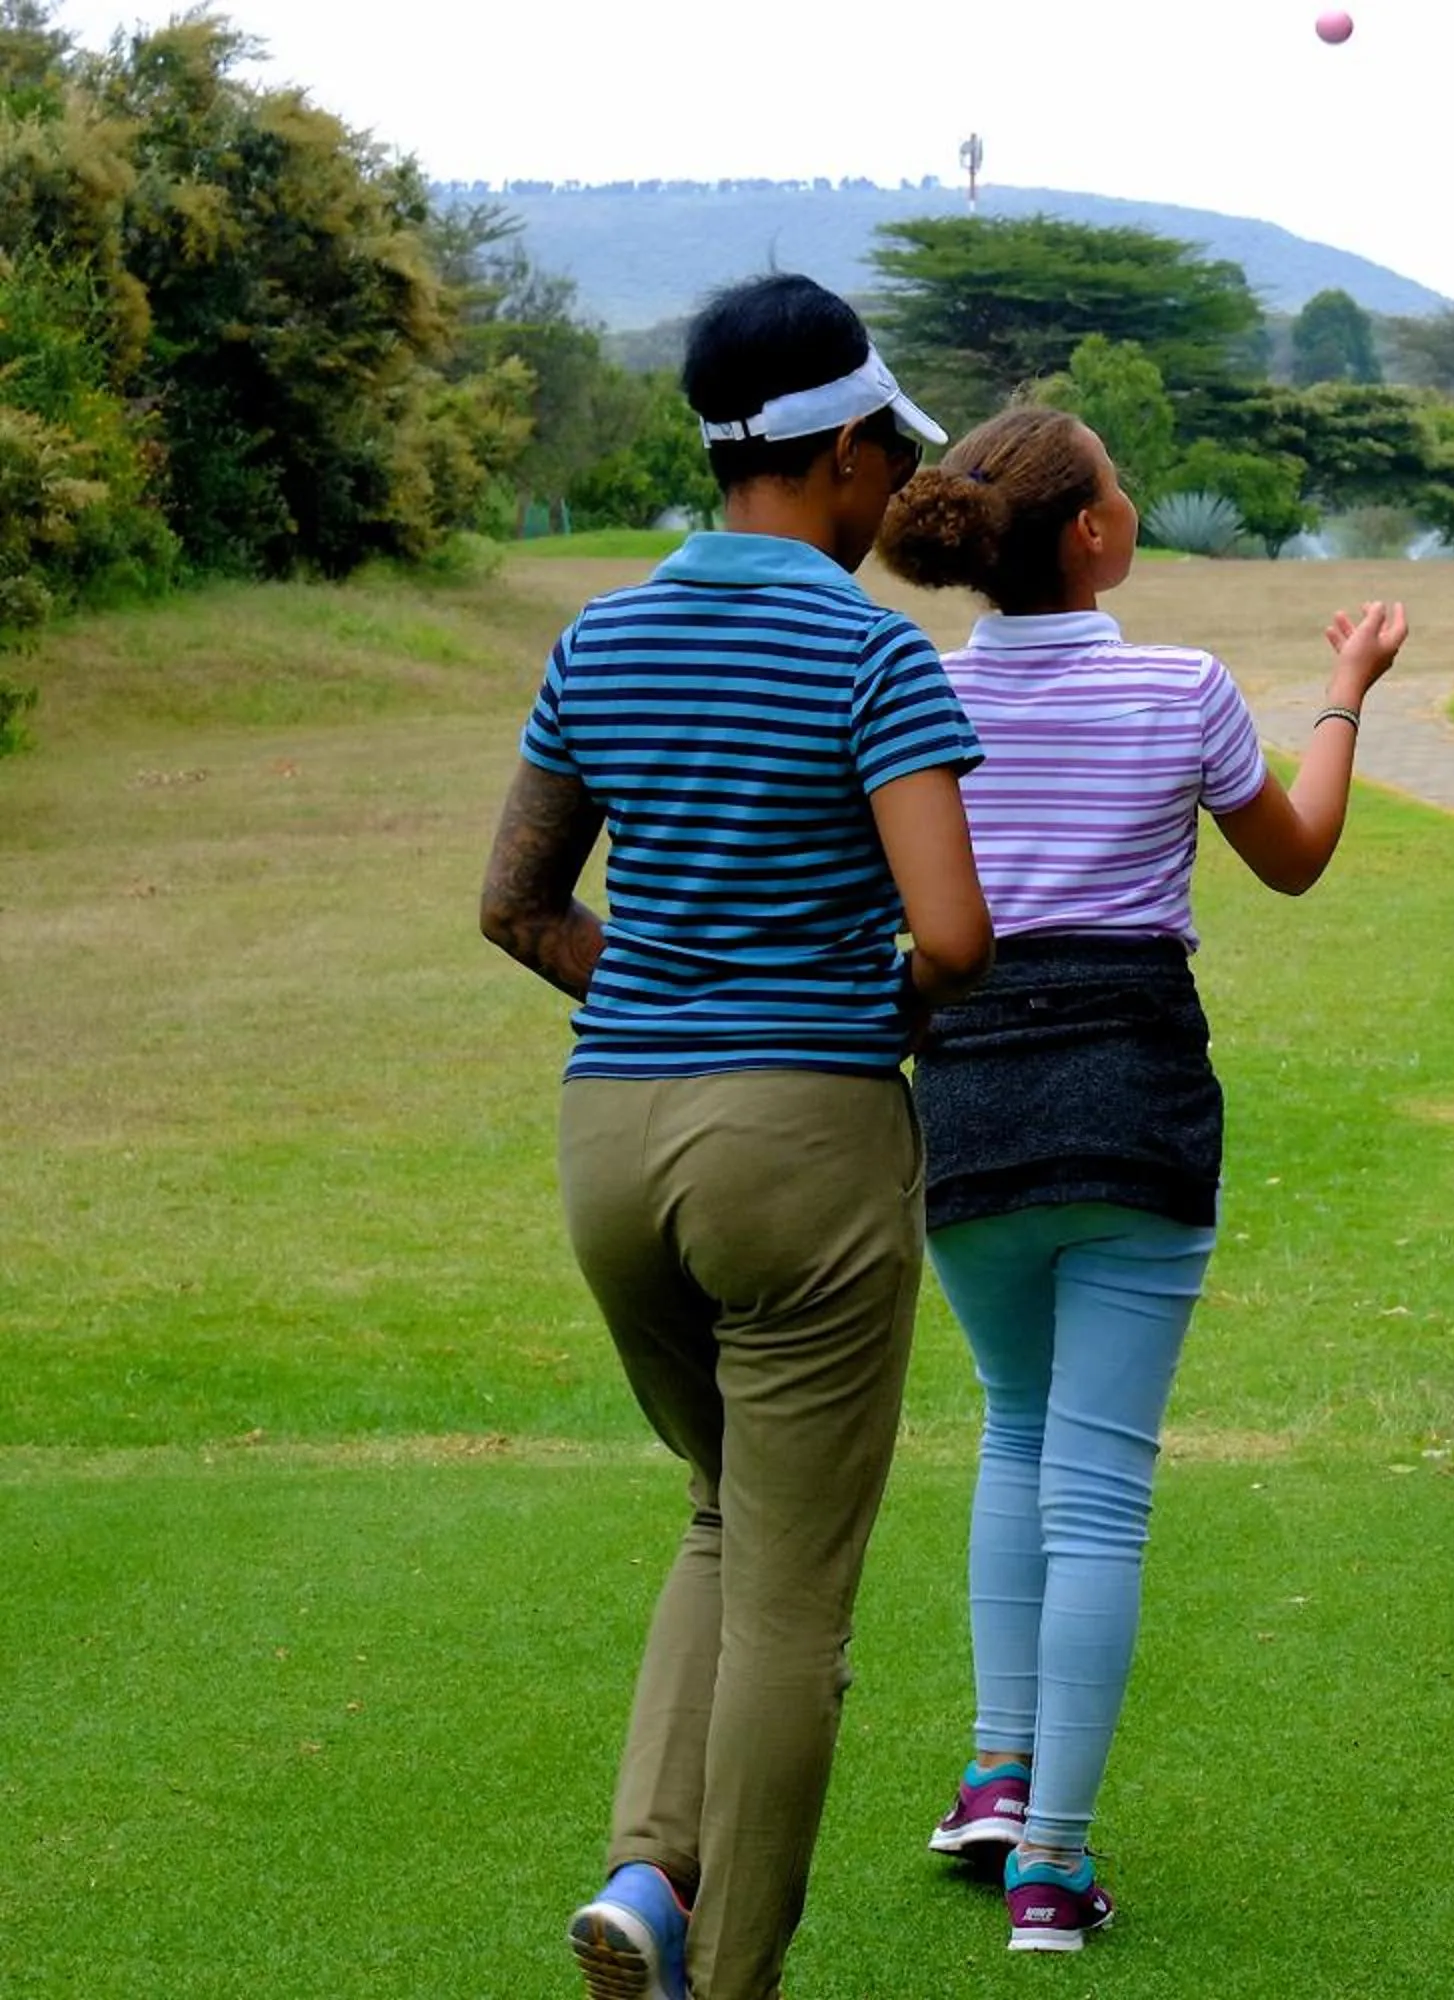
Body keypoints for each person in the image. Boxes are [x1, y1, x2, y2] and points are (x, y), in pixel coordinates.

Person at [478, 273, 993, 2000]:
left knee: (724, 1509)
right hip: (799, 1152)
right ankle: (733, 1976)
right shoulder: (873, 651)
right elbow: (955, 936)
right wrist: (836, 1013)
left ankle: (650, 1880)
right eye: (888, 455)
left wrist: (674, 987)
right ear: (841, 454)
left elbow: (517, 903)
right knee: (793, 1605)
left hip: (611, 1144)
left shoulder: (599, 639)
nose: (894, 486)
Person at [873, 405, 1408, 1950]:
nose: (1129, 500)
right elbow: (1295, 855)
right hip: (1136, 1108)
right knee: (1098, 1492)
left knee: (1017, 1426)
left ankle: (997, 1777)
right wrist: (1346, 697)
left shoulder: (916, 691)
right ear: (1092, 534)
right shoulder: (1181, 688)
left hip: (967, 1104)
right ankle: (1051, 1866)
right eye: (1118, 486)